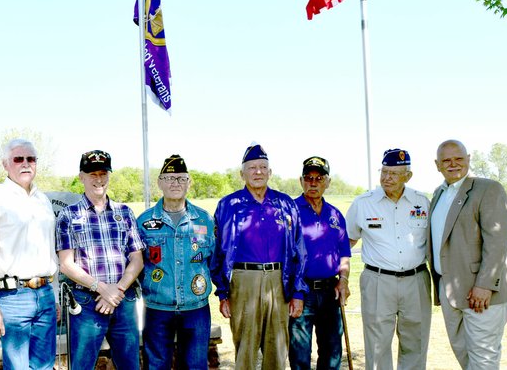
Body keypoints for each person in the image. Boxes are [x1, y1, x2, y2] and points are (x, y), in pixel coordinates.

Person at [210, 144, 308, 370]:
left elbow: (299, 251)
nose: (258, 172)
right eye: (252, 167)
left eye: (263, 167)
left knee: (277, 351)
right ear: (242, 173)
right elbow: (217, 252)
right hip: (243, 283)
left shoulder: (285, 204)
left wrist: (298, 292)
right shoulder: (228, 205)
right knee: (246, 350)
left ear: (270, 172)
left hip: (278, 281)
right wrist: (223, 293)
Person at [0, 138, 58, 370]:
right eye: (18, 159)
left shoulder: (43, 201)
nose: (25, 164)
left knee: (44, 366)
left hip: (45, 294)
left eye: (31, 159)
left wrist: (55, 295)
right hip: (12, 298)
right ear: (5, 164)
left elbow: (51, 252)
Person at [430, 139, 507, 369]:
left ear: (468, 159)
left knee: (483, 359)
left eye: (458, 158)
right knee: (466, 357)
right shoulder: (438, 194)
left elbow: (497, 241)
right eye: (446, 160)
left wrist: (485, 285)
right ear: (437, 165)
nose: (453, 164)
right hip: (450, 292)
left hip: (481, 294)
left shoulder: (488, 189)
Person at [56, 150, 145, 370]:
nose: (98, 179)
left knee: (130, 366)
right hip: (86, 303)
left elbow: (137, 259)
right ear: (81, 177)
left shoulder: (124, 212)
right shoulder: (68, 215)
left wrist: (116, 291)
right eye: (92, 173)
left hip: (123, 301)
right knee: (82, 366)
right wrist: (102, 288)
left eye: (103, 173)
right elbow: (66, 264)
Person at [346, 148, 431, 370]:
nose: (387, 178)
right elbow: (347, 241)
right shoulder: (363, 203)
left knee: (416, 340)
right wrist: (339, 276)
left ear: (408, 176)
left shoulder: (421, 202)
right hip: (378, 280)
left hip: (416, 280)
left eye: (394, 173)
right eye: (384, 172)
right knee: (377, 344)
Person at [136, 155, 215, 370]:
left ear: (189, 182)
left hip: (196, 307)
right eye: (169, 178)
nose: (175, 183)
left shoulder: (204, 220)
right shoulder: (143, 222)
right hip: (157, 307)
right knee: (157, 365)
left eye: (181, 178)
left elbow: (214, 261)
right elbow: (136, 264)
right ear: (160, 182)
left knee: (195, 366)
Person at [289, 156, 351, 370]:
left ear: (328, 182)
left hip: (330, 291)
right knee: (300, 355)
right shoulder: (290, 211)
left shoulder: (335, 214)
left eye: (319, 178)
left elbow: (344, 253)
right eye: (308, 178)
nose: (313, 183)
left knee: (332, 351)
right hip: (301, 292)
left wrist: (343, 280)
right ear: (301, 181)